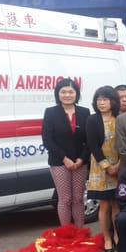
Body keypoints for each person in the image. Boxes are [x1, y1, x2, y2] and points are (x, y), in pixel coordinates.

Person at [41, 78, 90, 227]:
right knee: (65, 199)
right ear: (58, 94)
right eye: (63, 92)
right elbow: (47, 139)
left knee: (78, 199)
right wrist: (64, 159)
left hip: (80, 162)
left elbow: (89, 139)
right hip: (59, 162)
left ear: (76, 93)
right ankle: (66, 234)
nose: (67, 95)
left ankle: (80, 232)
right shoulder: (51, 112)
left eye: (71, 91)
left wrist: (81, 159)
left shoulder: (84, 112)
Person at [86, 86, 122, 252]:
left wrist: (119, 164)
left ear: (112, 101)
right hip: (100, 167)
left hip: (119, 165)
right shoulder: (92, 120)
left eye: (105, 99)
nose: (101, 103)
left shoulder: (120, 118)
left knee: (117, 204)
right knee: (104, 205)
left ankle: (117, 235)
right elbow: (92, 145)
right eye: (99, 100)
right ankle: (107, 237)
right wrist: (107, 166)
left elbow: (125, 143)